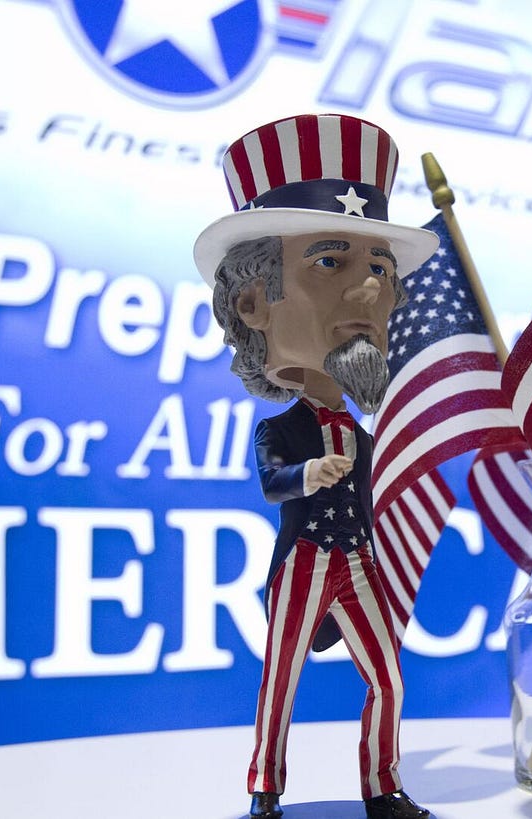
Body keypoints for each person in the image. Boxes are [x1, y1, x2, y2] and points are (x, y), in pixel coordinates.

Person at [194, 114, 439, 819]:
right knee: (282, 677)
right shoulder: (283, 427)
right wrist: (309, 477)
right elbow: (272, 480)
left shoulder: (362, 437)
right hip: (304, 557)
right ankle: (264, 791)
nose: (369, 294)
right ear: (252, 304)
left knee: (388, 677)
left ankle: (382, 786)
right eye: (330, 262)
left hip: (356, 560)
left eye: (381, 270)